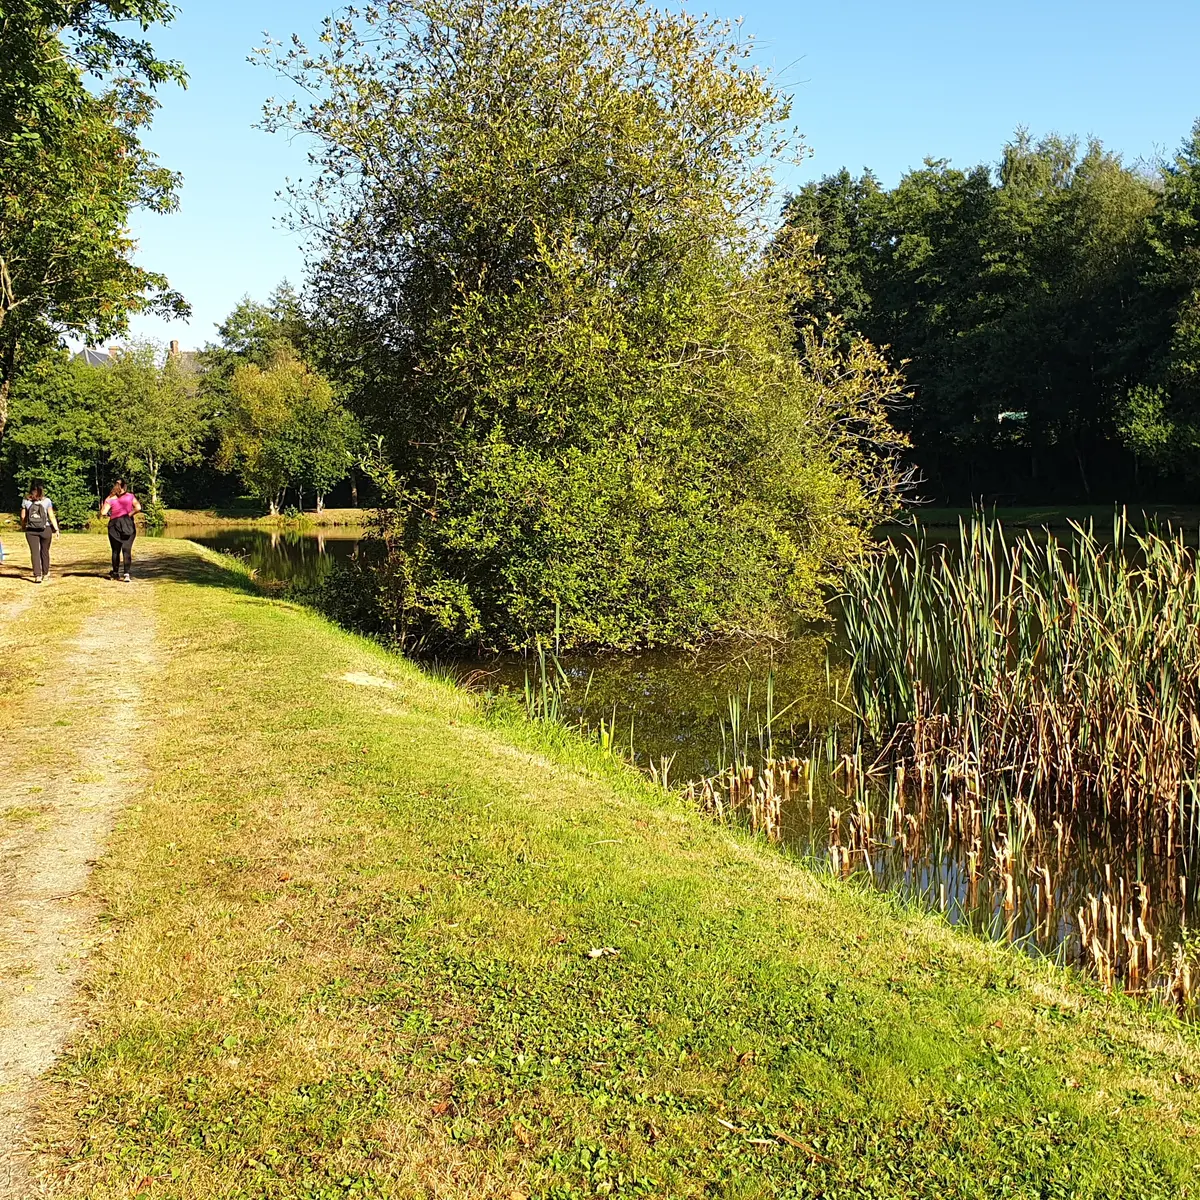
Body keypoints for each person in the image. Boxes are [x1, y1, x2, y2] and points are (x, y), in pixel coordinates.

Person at [100, 480, 141, 581]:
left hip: (114, 524)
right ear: (125, 486)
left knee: (115, 550)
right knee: (127, 549)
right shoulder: (130, 496)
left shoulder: (110, 498)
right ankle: (126, 574)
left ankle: (115, 573)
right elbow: (138, 508)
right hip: (128, 524)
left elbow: (103, 512)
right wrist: (128, 515)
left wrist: (112, 513)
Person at [19, 484, 60, 584]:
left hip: (31, 530)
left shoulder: (26, 501)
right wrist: (56, 529)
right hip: (45, 529)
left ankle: (37, 575)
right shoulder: (47, 501)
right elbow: (51, 516)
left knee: (35, 552)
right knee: (45, 551)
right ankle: (45, 574)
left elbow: (23, 517)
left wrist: (24, 526)